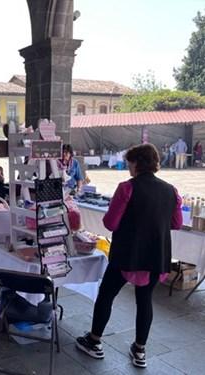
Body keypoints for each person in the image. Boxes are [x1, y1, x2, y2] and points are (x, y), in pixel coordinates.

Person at [76, 144, 182, 369]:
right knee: (145, 301)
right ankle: (140, 350)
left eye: (130, 164)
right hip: (156, 255)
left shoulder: (127, 188)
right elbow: (177, 223)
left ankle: (94, 341)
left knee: (106, 295)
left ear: (136, 163)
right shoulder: (171, 190)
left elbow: (110, 223)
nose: (128, 168)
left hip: (128, 253)